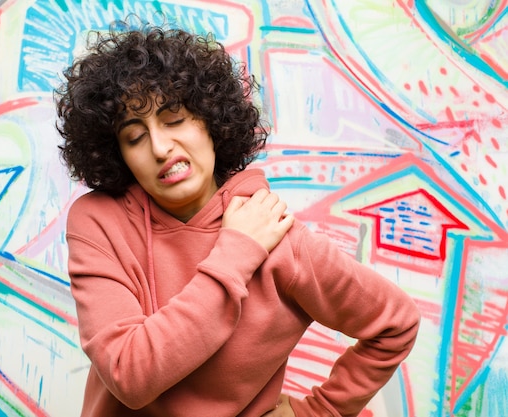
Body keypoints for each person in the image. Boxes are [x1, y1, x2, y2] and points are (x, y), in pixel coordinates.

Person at [54, 19, 420, 417]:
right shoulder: (100, 222)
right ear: (117, 153)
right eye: (135, 136)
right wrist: (236, 253)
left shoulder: (282, 242)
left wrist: (320, 410)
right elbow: (130, 375)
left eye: (174, 119)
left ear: (211, 121)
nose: (160, 147)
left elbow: (395, 323)